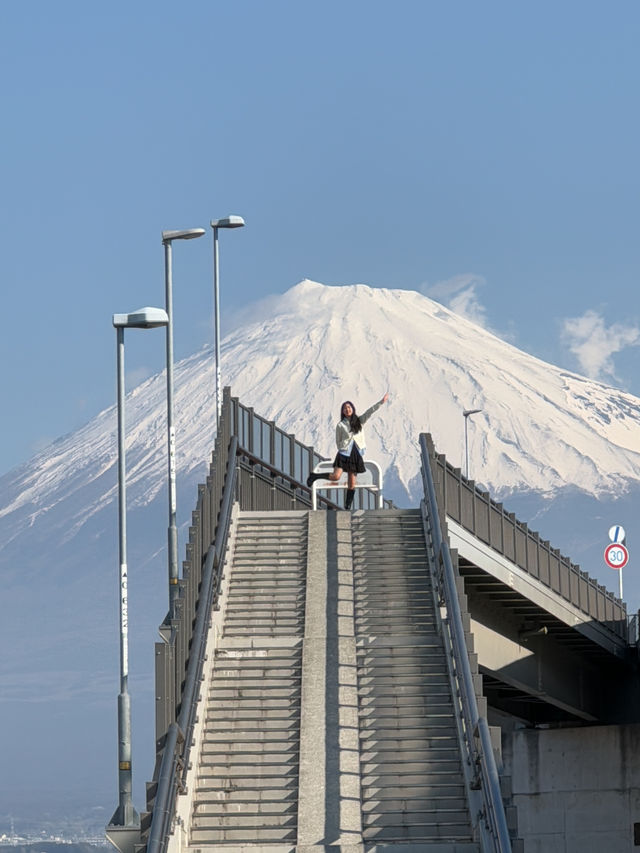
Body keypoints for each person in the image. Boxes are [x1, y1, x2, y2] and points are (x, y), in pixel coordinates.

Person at [307, 393, 390, 509]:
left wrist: (381, 402)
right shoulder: (340, 425)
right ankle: (314, 476)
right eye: (345, 408)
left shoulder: (359, 421)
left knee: (352, 483)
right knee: (336, 476)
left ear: (352, 409)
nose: (347, 409)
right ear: (343, 412)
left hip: (356, 454)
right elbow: (338, 441)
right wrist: (344, 445)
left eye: (349, 407)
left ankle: (347, 506)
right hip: (344, 453)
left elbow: (370, 412)